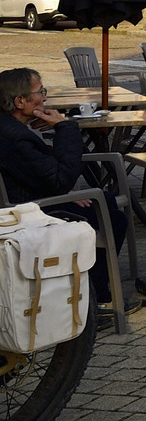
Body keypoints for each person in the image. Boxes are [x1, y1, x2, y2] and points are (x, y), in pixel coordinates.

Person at [0, 66, 128, 310]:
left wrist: (62, 189)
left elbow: (41, 170)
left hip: (32, 197)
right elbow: (61, 179)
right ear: (20, 101)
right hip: (31, 210)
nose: (44, 98)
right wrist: (65, 127)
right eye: (40, 92)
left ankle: (92, 291)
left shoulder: (9, 127)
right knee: (113, 218)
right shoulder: (16, 137)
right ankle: (94, 299)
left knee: (105, 202)